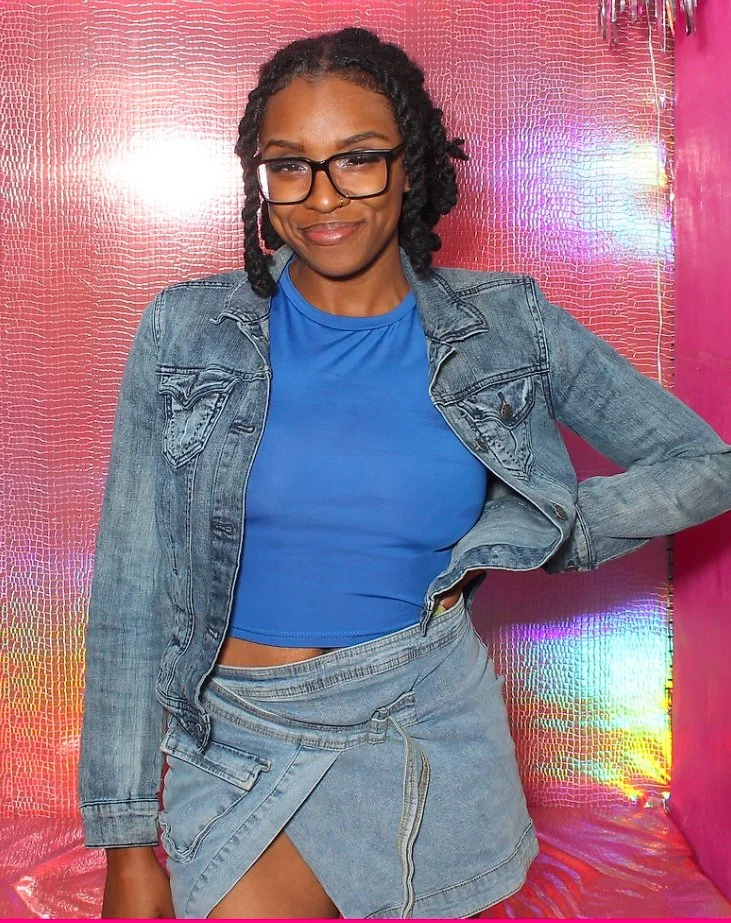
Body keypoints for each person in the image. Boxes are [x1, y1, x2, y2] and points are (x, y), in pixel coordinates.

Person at [77, 26, 731, 920]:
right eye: (289, 165)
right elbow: (130, 589)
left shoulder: (507, 326)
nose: (322, 196)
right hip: (242, 733)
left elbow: (702, 463)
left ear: (408, 166)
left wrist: (540, 530)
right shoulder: (185, 330)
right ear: (259, 179)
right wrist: (125, 839)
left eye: (357, 158)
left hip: (424, 716)